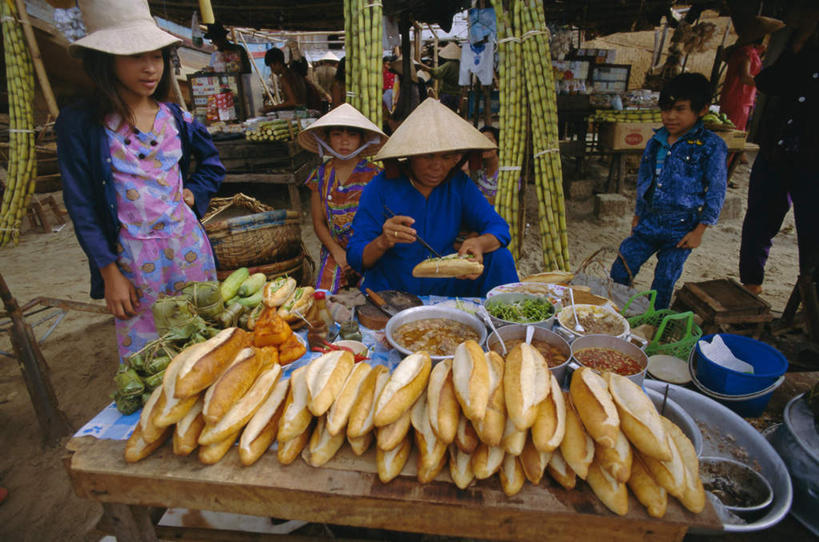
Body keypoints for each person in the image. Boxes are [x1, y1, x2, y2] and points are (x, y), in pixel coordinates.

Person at [56, 0, 225, 360]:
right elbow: (81, 204)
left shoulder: (175, 116)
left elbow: (212, 164)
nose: (150, 68)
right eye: (135, 57)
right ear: (105, 60)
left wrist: (195, 192)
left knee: (204, 345)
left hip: (189, 248)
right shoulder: (82, 125)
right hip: (133, 261)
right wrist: (108, 271)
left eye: (157, 57)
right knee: (151, 356)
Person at [347, 99, 519, 297]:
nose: (437, 166)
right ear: (409, 155)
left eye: (446, 157)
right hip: (393, 289)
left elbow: (499, 227)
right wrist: (383, 241)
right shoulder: (379, 188)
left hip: (447, 286)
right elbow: (355, 256)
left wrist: (479, 244)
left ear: (457, 158)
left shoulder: (458, 184)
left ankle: (507, 323)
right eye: (428, 156)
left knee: (501, 257)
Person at [610, 73, 727, 309]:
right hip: (649, 221)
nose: (670, 116)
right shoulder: (656, 142)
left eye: (679, 109)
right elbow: (645, 181)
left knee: (664, 280)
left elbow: (717, 189)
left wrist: (700, 230)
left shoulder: (711, 146)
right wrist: (638, 215)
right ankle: (616, 314)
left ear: (702, 110)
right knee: (621, 268)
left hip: (681, 227)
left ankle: (654, 322)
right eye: (665, 109)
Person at [739, 2, 819, 296]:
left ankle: (810, 301)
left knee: (813, 234)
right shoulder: (796, 51)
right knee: (759, 221)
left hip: (813, 164)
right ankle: (750, 287)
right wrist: (797, 44)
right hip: (776, 152)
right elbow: (769, 81)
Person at [296, 105, 387, 292]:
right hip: (334, 249)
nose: (344, 141)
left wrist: (364, 255)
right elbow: (318, 222)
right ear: (327, 138)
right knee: (324, 297)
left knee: (378, 295)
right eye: (337, 134)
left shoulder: (376, 175)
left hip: (368, 248)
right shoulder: (320, 176)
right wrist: (338, 253)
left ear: (362, 139)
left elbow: (381, 221)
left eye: (352, 135)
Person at [418, 42, 462, 112]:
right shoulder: (460, 65)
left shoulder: (449, 64)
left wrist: (426, 68)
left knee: (445, 114)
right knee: (453, 114)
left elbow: (437, 73)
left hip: (447, 94)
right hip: (457, 95)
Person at [264, 47, 307, 111]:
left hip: (298, 112)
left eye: (271, 66)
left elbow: (292, 102)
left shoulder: (285, 78)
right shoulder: (293, 73)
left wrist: (272, 107)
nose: (272, 70)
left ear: (278, 63)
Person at [469, 125, 500, 204]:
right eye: (482, 141)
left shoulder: (507, 173)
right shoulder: (478, 171)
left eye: (489, 140)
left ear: (498, 144)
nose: (485, 145)